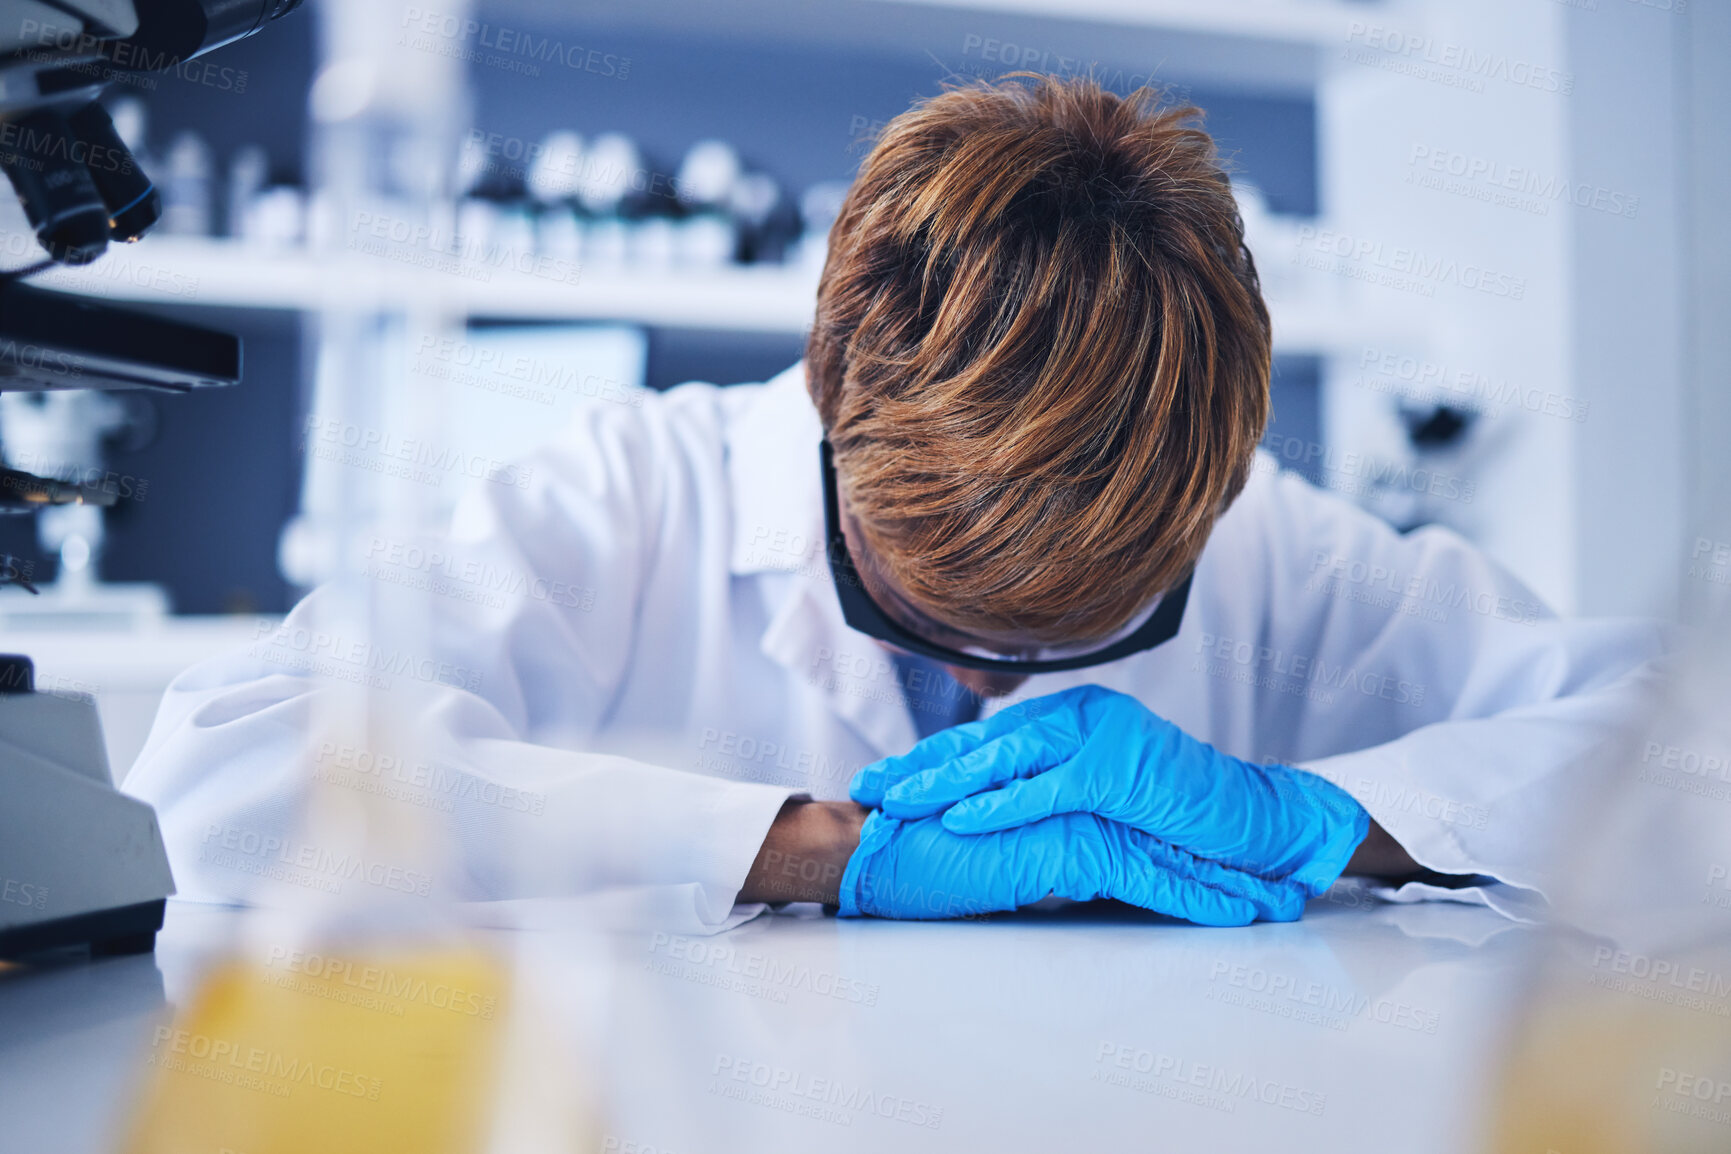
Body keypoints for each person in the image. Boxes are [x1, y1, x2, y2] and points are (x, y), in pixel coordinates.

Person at [125, 76, 1662, 933]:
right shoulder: (634, 491)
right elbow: (232, 775)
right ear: (830, 408)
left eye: (1086, 635)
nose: (993, 689)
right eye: (919, 609)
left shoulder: (1276, 544)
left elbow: (1687, 753)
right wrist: (808, 845)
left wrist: (1337, 820)